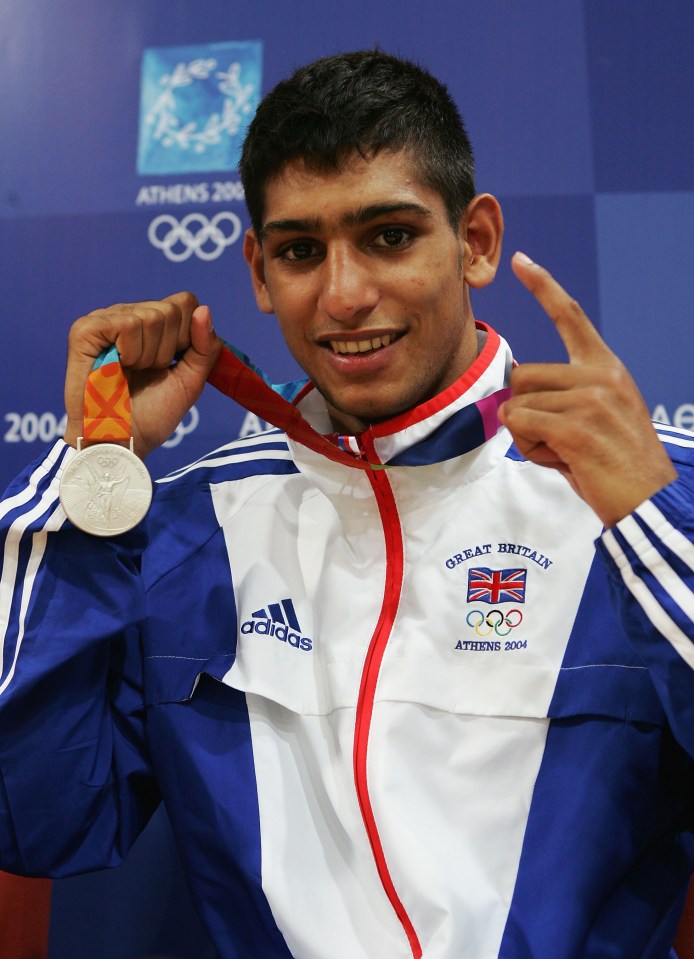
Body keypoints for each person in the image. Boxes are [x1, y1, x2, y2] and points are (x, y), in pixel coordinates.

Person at [1, 49, 693, 959]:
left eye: (390, 236)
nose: (344, 295)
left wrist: (656, 525)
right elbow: (41, 815)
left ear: (475, 241)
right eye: (299, 251)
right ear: (257, 269)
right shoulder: (190, 529)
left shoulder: (646, 493)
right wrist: (95, 466)